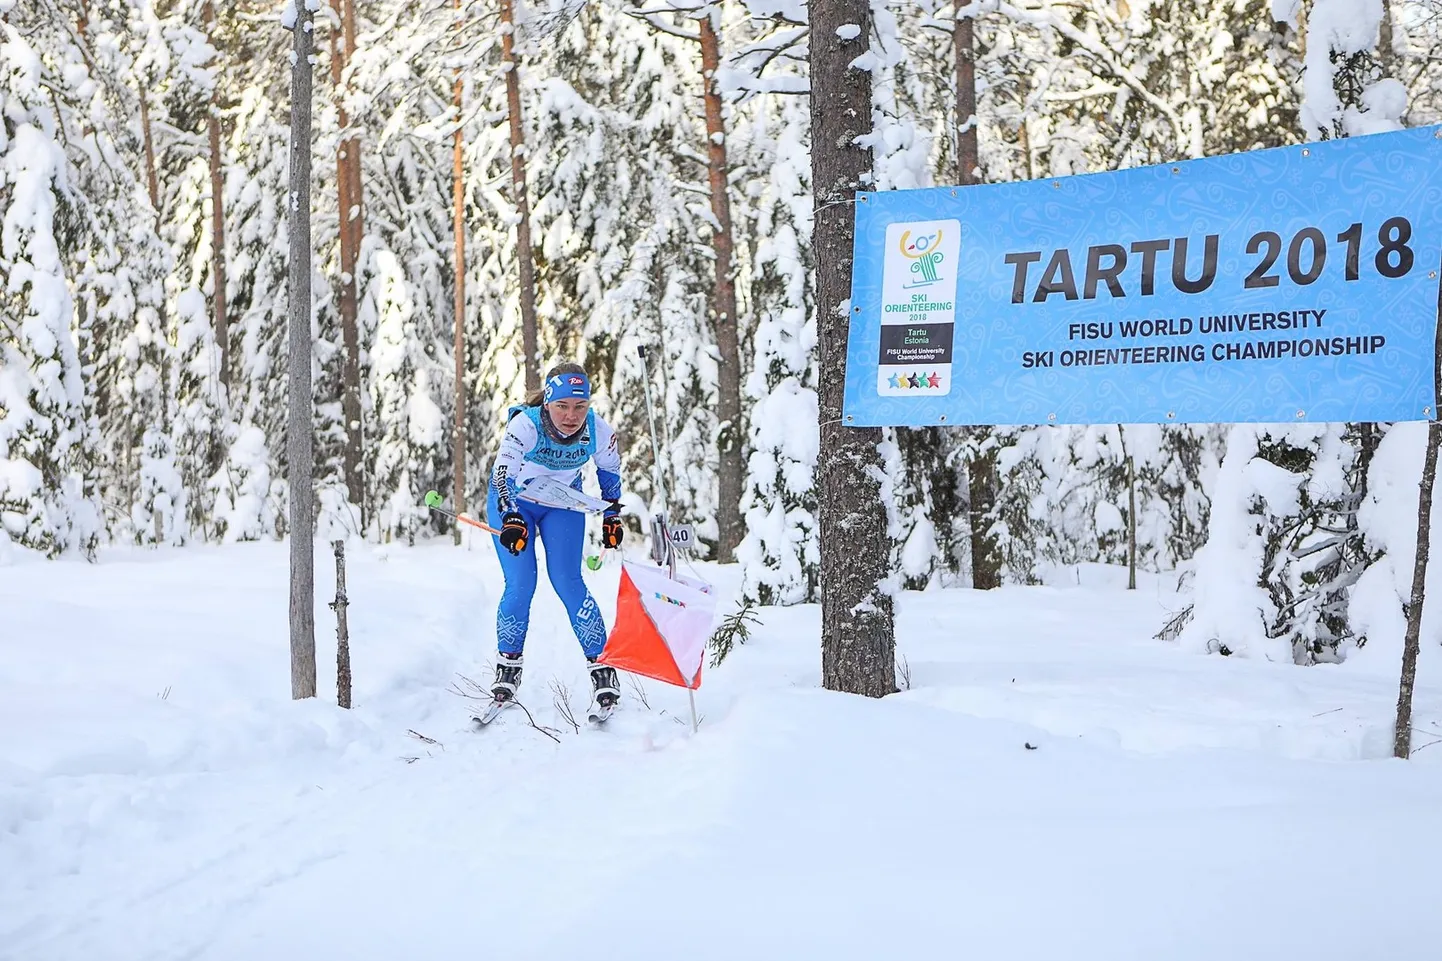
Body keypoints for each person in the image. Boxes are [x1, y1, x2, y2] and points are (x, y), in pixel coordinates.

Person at [485, 361, 626, 709]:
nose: (571, 415)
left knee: (568, 581)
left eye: (580, 406)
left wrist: (612, 513)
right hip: (515, 501)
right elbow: (502, 474)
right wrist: (511, 516)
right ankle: (508, 665)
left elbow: (610, 471)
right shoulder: (526, 425)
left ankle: (602, 667)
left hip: (560, 503)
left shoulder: (598, 430)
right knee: (522, 582)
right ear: (547, 402)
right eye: (562, 405)